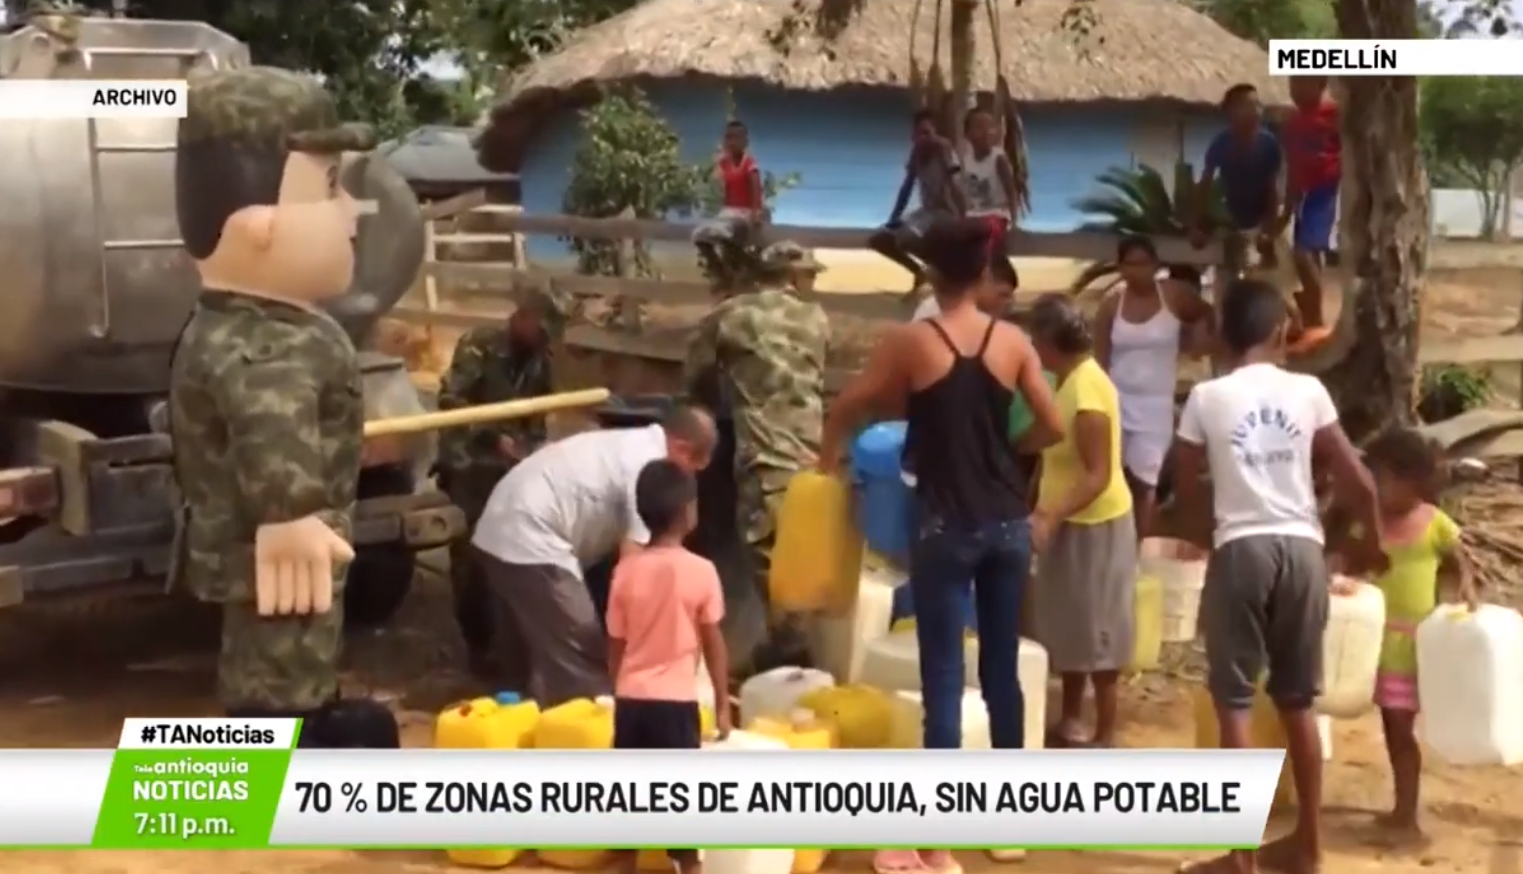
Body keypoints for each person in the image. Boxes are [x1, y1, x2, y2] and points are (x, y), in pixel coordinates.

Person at [819, 217, 1062, 874]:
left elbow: (852, 405)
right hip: (1008, 524)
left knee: (944, 682)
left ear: (930, 274)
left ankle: (936, 845)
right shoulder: (1011, 340)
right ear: (985, 274)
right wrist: (1008, 453)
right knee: (1001, 671)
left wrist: (824, 463)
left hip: (945, 527)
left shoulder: (909, 340)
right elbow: (1052, 423)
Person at [167, 66, 398, 745]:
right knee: (280, 668)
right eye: (329, 188)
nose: (351, 212)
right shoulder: (263, 343)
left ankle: (299, 728)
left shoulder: (253, 322)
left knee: (285, 656)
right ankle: (286, 758)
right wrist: (290, 514)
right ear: (257, 224)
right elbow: (272, 427)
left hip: (285, 552)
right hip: (280, 555)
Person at [1171, 277, 1380, 874]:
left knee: (1235, 702)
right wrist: (1370, 543)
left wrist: (1202, 535)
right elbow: (1360, 482)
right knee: (1297, 702)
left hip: (1243, 548)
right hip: (1303, 550)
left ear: (1222, 334)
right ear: (1279, 333)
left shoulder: (1207, 398)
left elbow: (1184, 488)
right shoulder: (1309, 390)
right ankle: (1308, 846)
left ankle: (1240, 859)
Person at [470, 406, 718, 707]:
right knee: (581, 655)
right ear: (682, 448)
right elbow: (633, 565)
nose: (687, 482)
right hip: (532, 535)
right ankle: (586, 736)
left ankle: (525, 725)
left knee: (525, 656)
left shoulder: (630, 443)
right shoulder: (647, 464)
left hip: (501, 525)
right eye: (693, 469)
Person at [683, 241, 831, 672]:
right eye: (809, 275)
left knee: (763, 551)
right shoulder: (817, 318)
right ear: (790, 276)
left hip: (764, 453)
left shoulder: (731, 316)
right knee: (802, 550)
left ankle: (787, 655)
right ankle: (793, 650)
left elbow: (696, 379)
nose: (812, 283)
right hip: (812, 451)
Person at [1328, 428, 1474, 844]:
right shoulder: (1368, 523)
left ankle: (1406, 812)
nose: (1377, 488)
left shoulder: (1433, 522)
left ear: (1414, 481)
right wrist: (1342, 577)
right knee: (1388, 726)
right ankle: (1401, 808)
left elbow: (1458, 559)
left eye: (1384, 479)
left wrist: (1464, 587)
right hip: (1370, 640)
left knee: (1399, 730)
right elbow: (1351, 563)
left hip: (1411, 647)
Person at [1023, 294, 1137, 748]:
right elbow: (1050, 451)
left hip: (1097, 527)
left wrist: (1050, 513)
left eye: (1035, 341)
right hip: (1069, 520)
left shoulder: (1089, 391)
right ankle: (1070, 718)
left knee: (1101, 632)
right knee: (1071, 626)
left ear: (1052, 342)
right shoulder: (1065, 380)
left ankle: (1105, 734)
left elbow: (1098, 474)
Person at [608, 459, 732, 874]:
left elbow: (616, 643)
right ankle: (687, 866)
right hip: (676, 705)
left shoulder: (625, 572)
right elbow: (714, 645)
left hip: (631, 700)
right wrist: (724, 705)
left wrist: (617, 690)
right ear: (687, 512)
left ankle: (625, 862)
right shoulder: (702, 572)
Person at [435, 290, 563, 679]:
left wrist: (535, 451)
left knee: (515, 551)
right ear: (521, 318)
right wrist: (494, 438)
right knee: (472, 559)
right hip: (471, 464)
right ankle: (477, 648)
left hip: (513, 470)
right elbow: (450, 400)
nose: (543, 342)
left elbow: (537, 414)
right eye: (539, 332)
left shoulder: (539, 360)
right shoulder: (479, 347)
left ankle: (511, 644)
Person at [1092, 235, 1213, 537]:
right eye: (1130, 264)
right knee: (1111, 479)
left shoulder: (1173, 296)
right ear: (1120, 267)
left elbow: (1207, 314)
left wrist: (1194, 342)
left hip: (1155, 405)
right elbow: (1099, 359)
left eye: (1144, 263)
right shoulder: (1111, 306)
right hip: (1117, 400)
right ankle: (1114, 544)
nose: (1137, 270)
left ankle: (1138, 549)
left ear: (1156, 265)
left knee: (1147, 483)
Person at [1273, 75, 1341, 343]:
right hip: (1304, 195)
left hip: (1328, 190)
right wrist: (1286, 211)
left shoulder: (1336, 115)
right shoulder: (1292, 125)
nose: (1296, 90)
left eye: (1303, 84)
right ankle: (1310, 315)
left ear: (1321, 84)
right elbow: (1292, 169)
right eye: (1293, 84)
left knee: (1303, 253)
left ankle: (1315, 318)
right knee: (1307, 256)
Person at [1191, 84, 1282, 282]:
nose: (1257, 110)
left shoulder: (1269, 144)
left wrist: (1269, 230)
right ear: (1232, 112)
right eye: (1249, 105)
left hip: (1261, 219)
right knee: (1228, 274)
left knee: (1271, 276)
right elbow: (1205, 185)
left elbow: (1272, 189)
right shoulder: (1221, 144)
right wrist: (1197, 226)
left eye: (1258, 104)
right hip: (1233, 219)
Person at [868, 109, 967, 291]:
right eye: (920, 133)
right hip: (927, 212)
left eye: (928, 133)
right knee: (879, 239)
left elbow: (954, 184)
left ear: (935, 132)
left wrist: (963, 217)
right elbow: (906, 188)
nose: (925, 138)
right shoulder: (917, 153)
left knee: (908, 238)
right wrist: (893, 219)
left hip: (945, 211)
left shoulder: (943, 148)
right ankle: (919, 272)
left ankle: (939, 270)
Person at [692, 120, 765, 282]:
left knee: (728, 236)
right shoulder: (724, 163)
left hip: (744, 213)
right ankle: (718, 269)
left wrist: (756, 213)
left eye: (735, 138)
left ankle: (744, 267)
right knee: (700, 236)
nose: (731, 142)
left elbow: (756, 190)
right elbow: (721, 188)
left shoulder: (750, 164)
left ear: (745, 141)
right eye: (728, 138)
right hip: (728, 212)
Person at [958, 107, 1018, 246]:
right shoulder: (966, 160)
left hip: (996, 216)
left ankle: (984, 266)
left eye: (990, 126)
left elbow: (1012, 193)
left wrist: (1013, 224)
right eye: (979, 127)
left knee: (984, 233)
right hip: (973, 217)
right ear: (967, 134)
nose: (986, 131)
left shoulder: (998, 159)